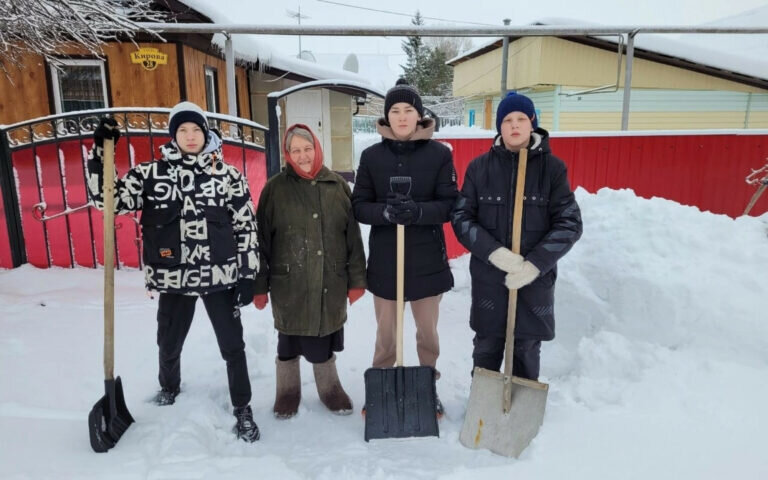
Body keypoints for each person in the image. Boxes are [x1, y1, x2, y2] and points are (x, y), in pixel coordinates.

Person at [86, 101, 261, 442]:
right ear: (173, 135)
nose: (190, 136)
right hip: (173, 277)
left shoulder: (228, 176)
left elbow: (246, 226)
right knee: (168, 342)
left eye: (196, 129)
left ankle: (243, 407)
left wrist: (247, 274)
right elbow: (108, 201)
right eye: (182, 130)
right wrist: (100, 155)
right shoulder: (151, 175)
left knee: (232, 346)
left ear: (206, 133)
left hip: (220, 276)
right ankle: (169, 387)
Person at [451, 92, 583, 381]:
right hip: (489, 279)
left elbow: (570, 223)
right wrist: (495, 254)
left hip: (534, 281)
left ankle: (521, 401)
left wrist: (534, 264)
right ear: (499, 126)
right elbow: (461, 218)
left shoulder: (552, 169)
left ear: (532, 122)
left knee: (526, 348)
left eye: (521, 118)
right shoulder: (480, 168)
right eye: (507, 119)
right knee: (487, 346)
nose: (514, 125)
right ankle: (484, 401)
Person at [351, 79, 457, 416]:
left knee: (427, 334)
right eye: (395, 110)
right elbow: (358, 205)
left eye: (408, 110)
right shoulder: (371, 157)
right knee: (386, 334)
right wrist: (384, 212)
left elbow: (450, 204)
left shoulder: (440, 155)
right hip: (387, 261)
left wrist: (419, 212)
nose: (401, 116)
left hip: (427, 259)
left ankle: (426, 385)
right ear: (386, 116)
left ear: (419, 115)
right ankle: (382, 387)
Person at [253, 124, 367, 419]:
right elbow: (260, 241)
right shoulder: (275, 189)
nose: (303, 156)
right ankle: (287, 391)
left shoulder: (337, 186)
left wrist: (357, 279)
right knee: (288, 341)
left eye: (307, 149)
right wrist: (259, 285)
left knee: (323, 337)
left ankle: (330, 389)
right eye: (296, 151)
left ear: (317, 148)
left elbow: (352, 237)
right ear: (287, 154)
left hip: (330, 279)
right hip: (289, 283)